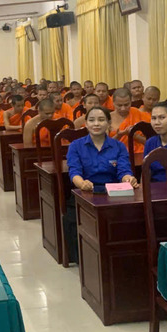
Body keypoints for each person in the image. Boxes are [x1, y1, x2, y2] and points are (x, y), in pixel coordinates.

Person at [65, 106, 138, 262]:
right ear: (86, 124)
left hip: (113, 193)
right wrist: (82, 183)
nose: (96, 124)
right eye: (92, 120)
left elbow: (124, 170)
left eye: (101, 120)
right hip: (85, 192)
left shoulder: (118, 146)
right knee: (73, 219)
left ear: (109, 123)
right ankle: (84, 259)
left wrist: (128, 178)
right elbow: (74, 172)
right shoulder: (76, 146)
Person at [109, 88, 148, 153]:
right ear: (113, 102)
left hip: (139, 154)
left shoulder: (138, 114)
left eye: (126, 105)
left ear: (131, 101)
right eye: (119, 105)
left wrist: (135, 136)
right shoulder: (107, 118)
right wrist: (119, 135)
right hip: (116, 154)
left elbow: (151, 142)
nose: (123, 108)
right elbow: (105, 146)